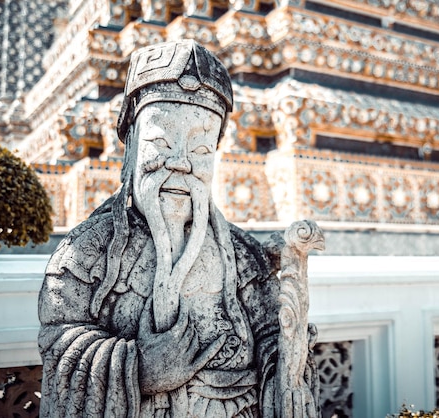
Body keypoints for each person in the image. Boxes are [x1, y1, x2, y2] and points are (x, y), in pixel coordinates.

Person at [38, 39, 318, 418]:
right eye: (160, 141)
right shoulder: (87, 253)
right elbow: (60, 342)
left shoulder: (242, 257)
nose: (182, 164)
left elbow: (272, 338)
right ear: (132, 147)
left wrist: (287, 359)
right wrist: (138, 369)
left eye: (201, 149)